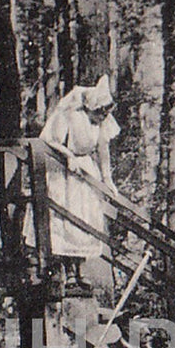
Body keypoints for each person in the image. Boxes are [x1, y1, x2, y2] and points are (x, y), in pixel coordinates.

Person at [37, 75, 121, 291]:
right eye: (99, 112)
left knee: (86, 219)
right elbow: (50, 140)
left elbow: (103, 148)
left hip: (85, 171)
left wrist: (107, 178)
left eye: (105, 112)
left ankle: (81, 271)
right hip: (63, 171)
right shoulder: (70, 113)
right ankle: (65, 272)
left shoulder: (102, 120)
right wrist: (68, 156)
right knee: (64, 218)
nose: (102, 116)